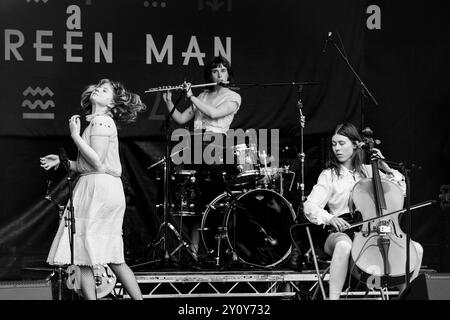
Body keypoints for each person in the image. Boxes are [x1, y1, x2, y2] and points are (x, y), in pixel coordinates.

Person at [40, 79, 146, 300]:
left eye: (104, 89)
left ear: (111, 104)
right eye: (98, 87)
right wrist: (63, 162)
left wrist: (75, 136)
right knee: (83, 256)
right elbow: (85, 166)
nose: (98, 89)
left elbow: (97, 163)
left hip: (100, 188)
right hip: (93, 184)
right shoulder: (96, 122)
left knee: (109, 255)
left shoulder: (101, 122)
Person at [303, 122, 423, 300]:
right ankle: (333, 298)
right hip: (340, 231)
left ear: (356, 144)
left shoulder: (369, 171)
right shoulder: (329, 175)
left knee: (416, 249)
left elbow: (401, 190)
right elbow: (310, 206)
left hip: (372, 231)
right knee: (344, 245)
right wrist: (330, 218)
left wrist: (385, 168)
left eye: (342, 143)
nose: (337, 148)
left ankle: (404, 297)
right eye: (334, 144)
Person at [162, 55, 242, 259]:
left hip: (215, 147)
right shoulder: (203, 95)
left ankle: (217, 252)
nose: (219, 74)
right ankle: (195, 253)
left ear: (228, 74)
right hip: (195, 144)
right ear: (210, 74)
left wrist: (191, 97)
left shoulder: (233, 97)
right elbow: (181, 118)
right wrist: (169, 102)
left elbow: (214, 114)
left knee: (210, 201)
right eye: (215, 71)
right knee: (195, 204)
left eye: (223, 70)